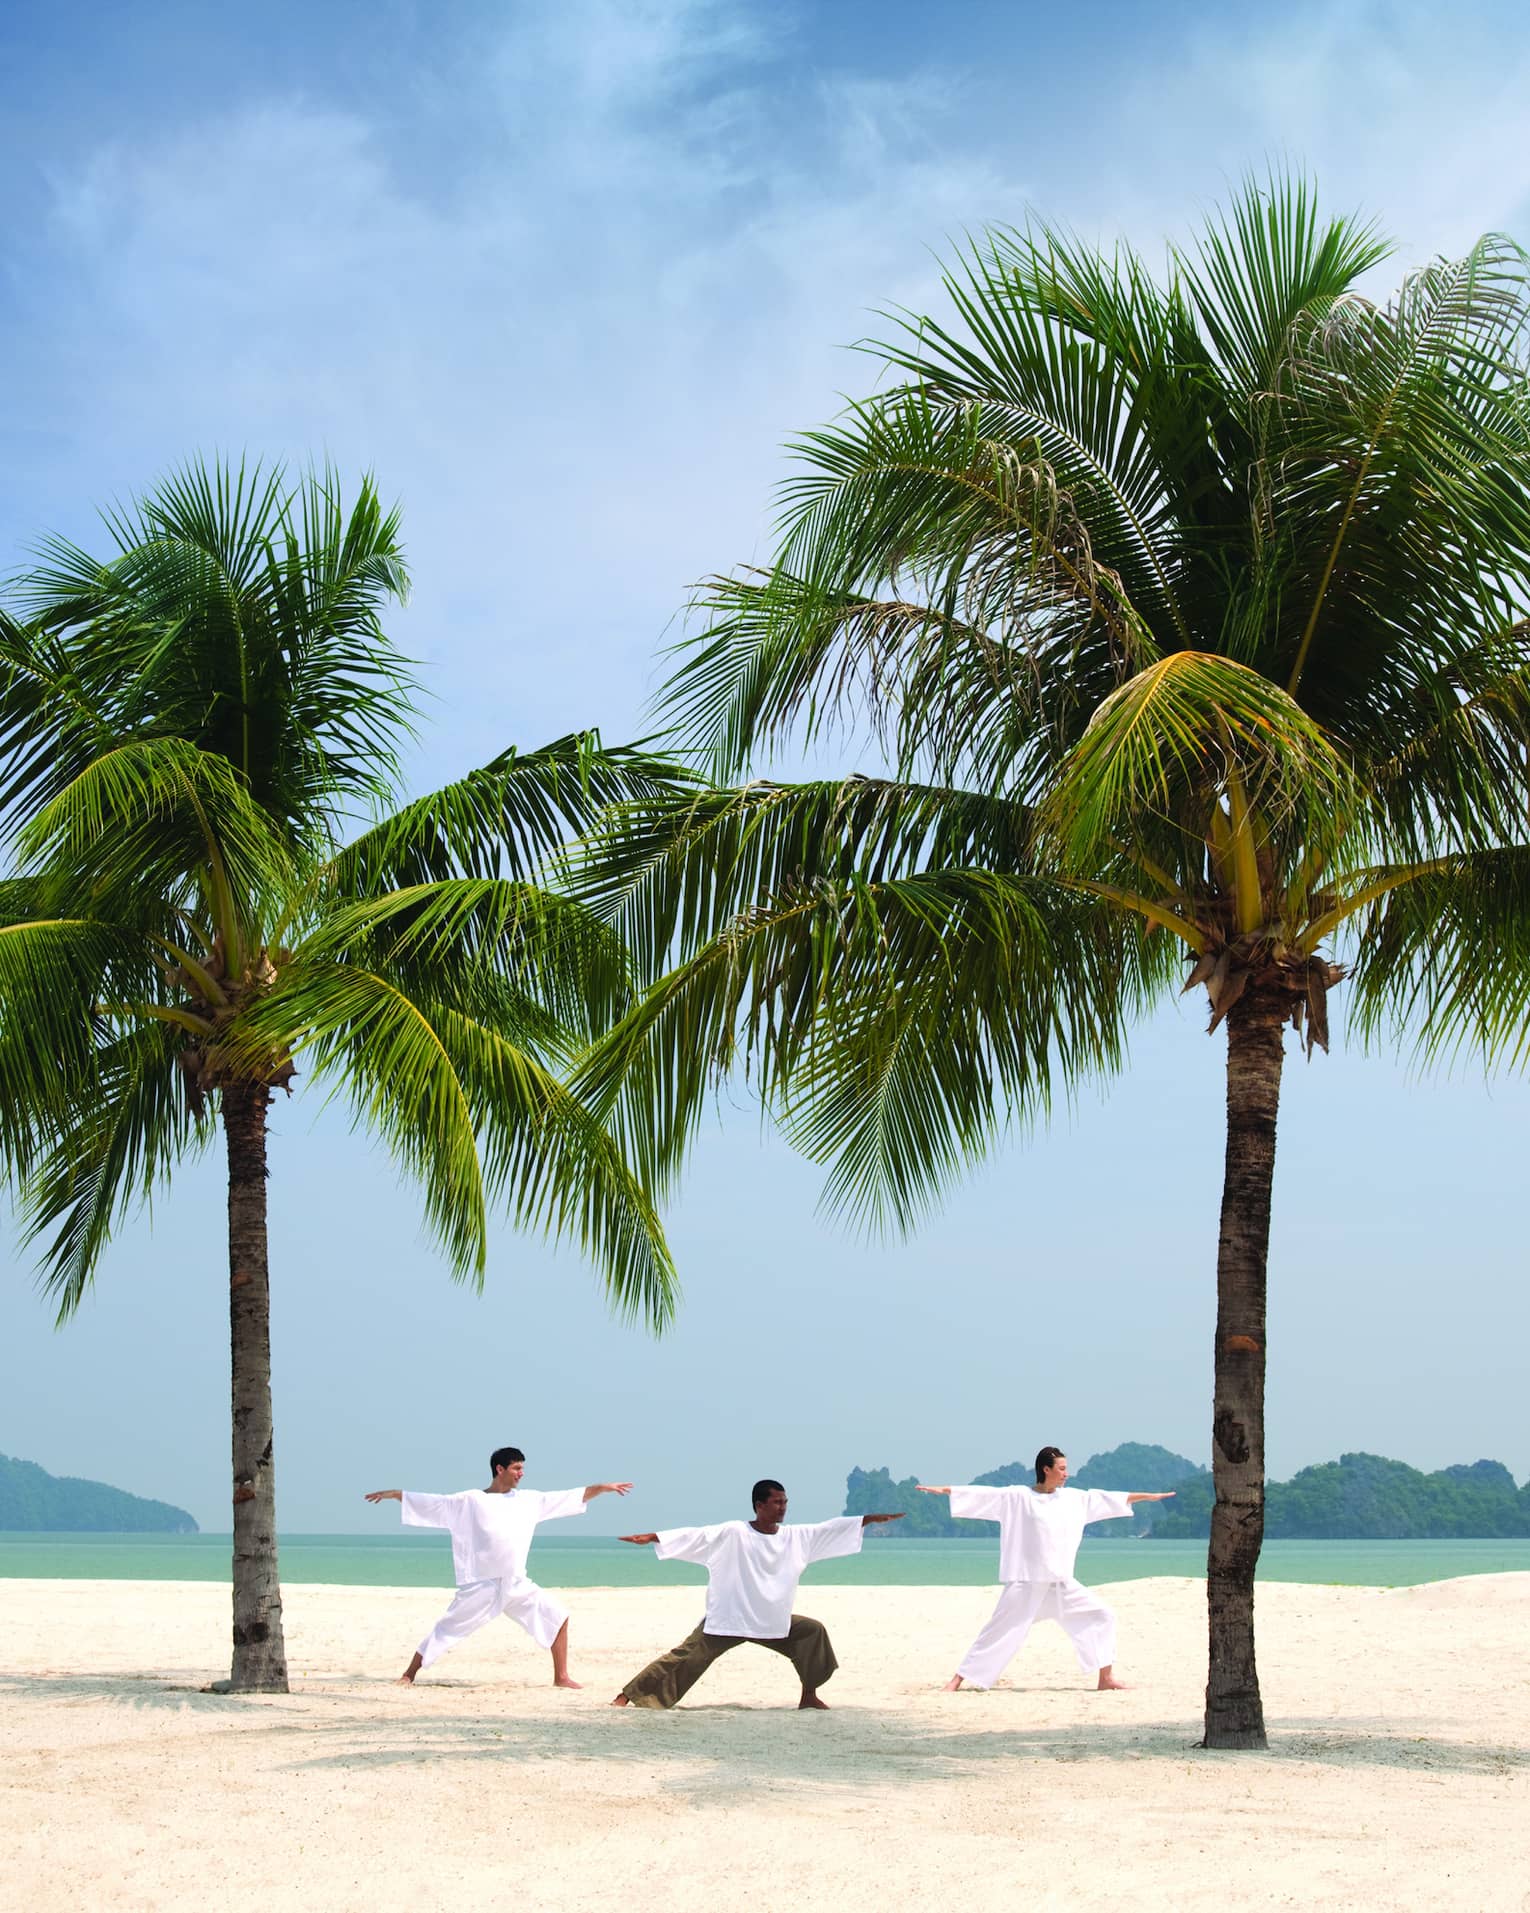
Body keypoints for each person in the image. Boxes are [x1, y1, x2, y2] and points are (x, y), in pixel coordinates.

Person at [610, 1480, 904, 1710]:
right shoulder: (733, 1533)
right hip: (729, 1620)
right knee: (684, 1657)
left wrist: (867, 1520)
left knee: (812, 1633)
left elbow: (828, 1529)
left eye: (785, 1502)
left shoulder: (795, 1537)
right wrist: (653, 1537)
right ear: (759, 1505)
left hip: (772, 1622)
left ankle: (808, 1696)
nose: (783, 1507)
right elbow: (696, 1536)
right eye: (777, 1502)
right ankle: (627, 1696)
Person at [364, 1446, 632, 1687]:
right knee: (446, 1628)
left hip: (516, 1583)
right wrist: (396, 1495)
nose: (521, 1473)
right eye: (517, 1467)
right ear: (499, 1469)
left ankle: (561, 1677)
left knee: (558, 1617)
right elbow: (433, 1503)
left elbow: (573, 1496)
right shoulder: (470, 1500)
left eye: (523, 1468)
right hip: (482, 1584)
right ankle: (408, 1674)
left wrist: (603, 1488)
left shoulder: (529, 1500)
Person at [918, 1446, 1175, 1692]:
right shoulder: (1018, 1497)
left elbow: (1111, 1498)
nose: (1066, 1473)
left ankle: (1105, 1679)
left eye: (1066, 1469)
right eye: (1062, 1469)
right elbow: (982, 1495)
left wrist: (1148, 1497)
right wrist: (943, 1490)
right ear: (1046, 1469)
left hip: (1061, 1583)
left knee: (1102, 1615)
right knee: (998, 1630)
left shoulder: (1074, 1499)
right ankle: (956, 1681)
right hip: (1026, 1582)